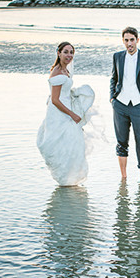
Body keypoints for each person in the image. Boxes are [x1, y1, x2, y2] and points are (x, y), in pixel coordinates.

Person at [36, 41, 95, 186]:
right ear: (59, 53)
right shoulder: (56, 72)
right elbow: (55, 100)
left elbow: (63, 92)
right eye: (66, 52)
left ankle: (70, 177)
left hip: (66, 108)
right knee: (60, 142)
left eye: (71, 52)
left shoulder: (65, 70)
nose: (69, 55)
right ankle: (64, 177)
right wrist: (72, 114)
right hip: (59, 112)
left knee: (71, 142)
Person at [110, 27, 140, 181]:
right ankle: (123, 178)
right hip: (120, 105)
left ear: (137, 40)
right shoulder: (117, 56)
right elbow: (114, 78)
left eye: (132, 40)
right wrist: (112, 98)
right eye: (126, 40)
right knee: (121, 142)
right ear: (123, 41)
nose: (129, 43)